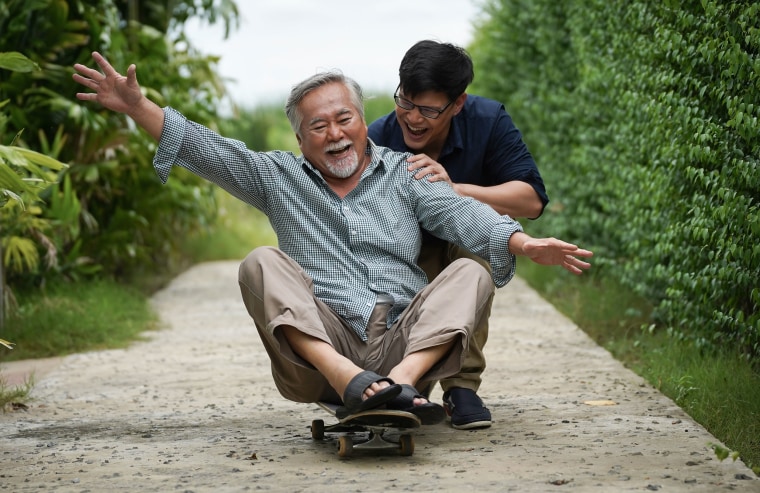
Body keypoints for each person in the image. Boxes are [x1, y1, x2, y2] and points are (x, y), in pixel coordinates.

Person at [72, 52, 592, 426]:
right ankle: (350, 381)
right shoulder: (277, 176)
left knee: (472, 269)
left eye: (345, 119)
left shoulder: (406, 172)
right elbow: (207, 149)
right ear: (299, 139)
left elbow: (461, 216)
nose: (334, 133)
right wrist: (139, 107)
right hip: (326, 350)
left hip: (404, 341)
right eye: (318, 126)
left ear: (366, 124)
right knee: (259, 261)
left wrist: (524, 244)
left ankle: (403, 382)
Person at [368, 40, 548, 429]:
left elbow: (531, 200)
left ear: (458, 103)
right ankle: (400, 376)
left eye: (430, 110)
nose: (413, 119)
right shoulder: (377, 137)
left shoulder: (488, 120)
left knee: (474, 248)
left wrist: (455, 188)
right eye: (406, 103)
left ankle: (461, 387)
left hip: (466, 242)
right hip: (402, 253)